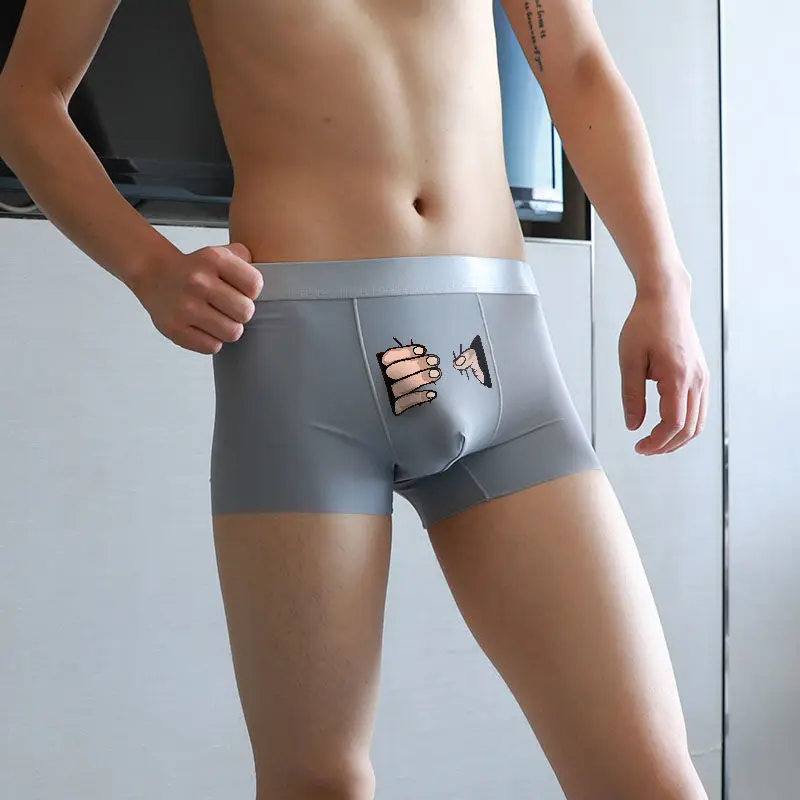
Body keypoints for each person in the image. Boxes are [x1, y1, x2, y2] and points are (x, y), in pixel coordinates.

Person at [0, 1, 710, 798]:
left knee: (649, 781)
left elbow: (576, 64)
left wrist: (663, 282)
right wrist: (149, 268)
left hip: (499, 352)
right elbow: (27, 97)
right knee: (316, 784)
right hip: (302, 364)